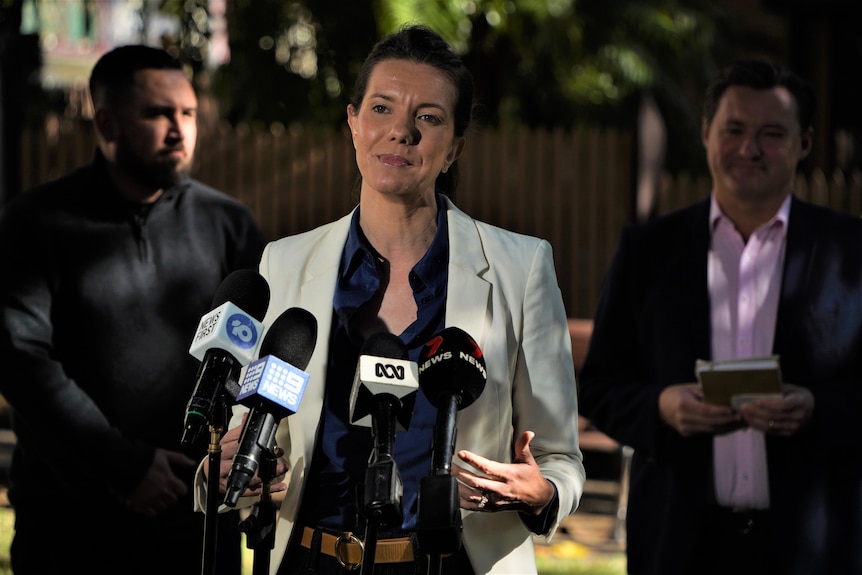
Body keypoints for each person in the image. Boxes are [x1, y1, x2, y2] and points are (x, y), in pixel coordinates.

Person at [196, 24, 585, 575]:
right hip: (310, 560)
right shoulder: (283, 263)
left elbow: (561, 462)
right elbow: (246, 437)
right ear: (353, 123)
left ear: (453, 149)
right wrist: (232, 469)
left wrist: (542, 492)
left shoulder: (521, 268)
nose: (400, 131)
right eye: (381, 108)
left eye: (428, 117)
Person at [578, 59, 862, 575]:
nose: (749, 149)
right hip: (678, 544)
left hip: (815, 549)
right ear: (707, 133)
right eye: (734, 129)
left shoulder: (852, 252)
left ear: (804, 143)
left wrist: (817, 408)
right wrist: (660, 406)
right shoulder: (648, 250)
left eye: (772, 133)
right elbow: (599, 384)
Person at [0, 45, 266, 574]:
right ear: (107, 121)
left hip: (197, 523)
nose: (179, 129)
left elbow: (266, 351)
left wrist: (245, 454)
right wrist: (123, 467)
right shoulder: (36, 223)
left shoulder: (229, 225)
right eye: (157, 113)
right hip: (68, 525)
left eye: (187, 113)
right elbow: (20, 358)